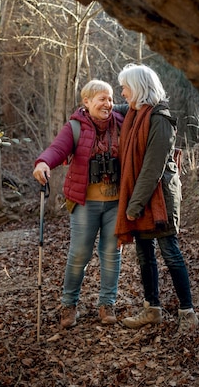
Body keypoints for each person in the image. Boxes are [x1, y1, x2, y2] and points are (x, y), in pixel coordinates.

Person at [114, 63, 199, 334]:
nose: (122, 92)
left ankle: (187, 312)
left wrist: (134, 205)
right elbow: (116, 110)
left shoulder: (160, 119)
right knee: (144, 255)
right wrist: (94, 108)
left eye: (125, 87)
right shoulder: (134, 115)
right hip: (141, 196)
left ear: (138, 88)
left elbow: (152, 169)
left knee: (170, 252)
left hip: (159, 197)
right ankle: (152, 309)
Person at [33, 79, 124, 328]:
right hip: (85, 203)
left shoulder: (120, 123)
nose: (108, 103)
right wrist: (43, 163)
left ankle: (107, 304)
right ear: (87, 101)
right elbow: (57, 149)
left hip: (116, 202)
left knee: (111, 254)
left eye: (110, 98)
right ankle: (69, 305)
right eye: (102, 98)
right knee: (79, 255)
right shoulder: (75, 126)